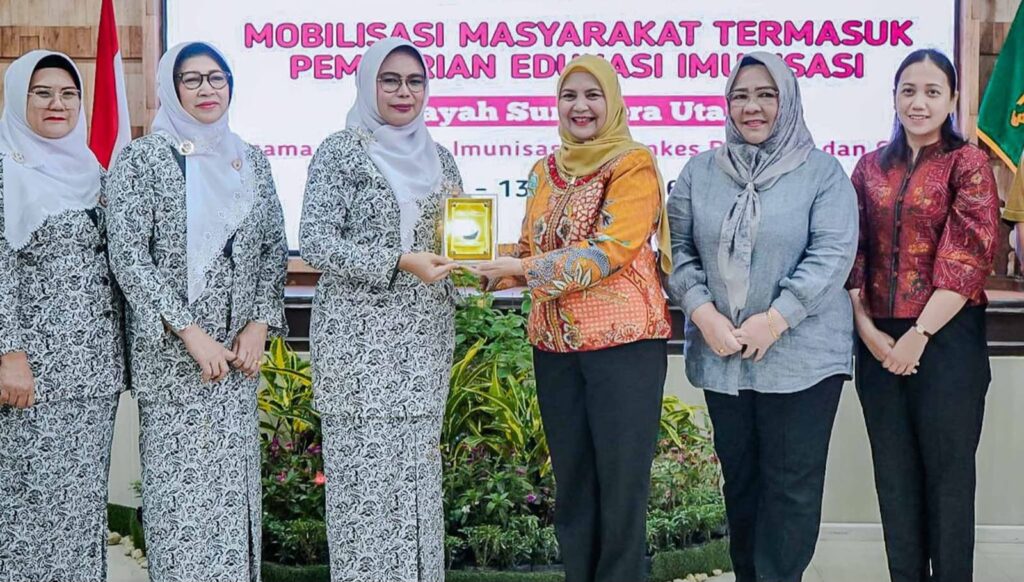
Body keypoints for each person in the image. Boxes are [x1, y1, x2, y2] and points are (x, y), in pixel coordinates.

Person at [469, 54, 672, 582]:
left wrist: (521, 268)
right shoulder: (545, 170)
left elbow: (608, 251)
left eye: (592, 95)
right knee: (574, 488)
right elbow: (530, 249)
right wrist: (482, 266)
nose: (580, 106)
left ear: (612, 102)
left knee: (621, 490)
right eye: (569, 96)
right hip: (555, 350)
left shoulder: (632, 164)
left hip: (624, 349)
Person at [665, 52, 858, 582]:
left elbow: (832, 254)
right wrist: (702, 312)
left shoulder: (823, 173)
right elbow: (677, 250)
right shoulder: (700, 172)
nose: (752, 107)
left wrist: (775, 320)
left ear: (787, 102)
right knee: (741, 483)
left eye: (766, 95)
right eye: (741, 95)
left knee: (791, 487)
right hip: (724, 356)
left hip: (802, 360)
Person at [106, 41, 288, 581]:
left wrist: (259, 323)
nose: (207, 89)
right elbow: (128, 255)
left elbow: (273, 248)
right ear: (172, 88)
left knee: (233, 504)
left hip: (236, 362)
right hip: (174, 362)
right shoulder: (142, 159)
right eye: (192, 79)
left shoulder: (251, 159)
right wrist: (189, 331)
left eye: (217, 77)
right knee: (182, 504)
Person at [299, 37, 463, 582]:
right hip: (358, 347)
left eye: (415, 81)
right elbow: (315, 241)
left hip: (424, 341)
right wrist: (397, 260)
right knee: (364, 486)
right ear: (369, 85)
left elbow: (455, 243)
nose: (403, 92)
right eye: (389, 80)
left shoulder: (441, 159)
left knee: (418, 481)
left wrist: (477, 269)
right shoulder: (340, 152)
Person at [847, 48, 1000, 582]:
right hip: (877, 343)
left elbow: (968, 257)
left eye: (932, 92)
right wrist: (866, 330)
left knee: (948, 482)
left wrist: (919, 334)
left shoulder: (968, 163)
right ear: (894, 96)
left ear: (952, 99)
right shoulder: (868, 168)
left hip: (947, 340)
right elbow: (852, 254)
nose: (919, 102)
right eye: (908, 90)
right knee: (894, 481)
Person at [0, 49, 125, 582]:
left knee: (81, 511)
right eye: (43, 92)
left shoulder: (93, 170)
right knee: (30, 511)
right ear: (17, 98)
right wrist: (8, 353)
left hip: (94, 373)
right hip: (33, 374)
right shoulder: (6, 171)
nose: (58, 103)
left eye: (69, 93)